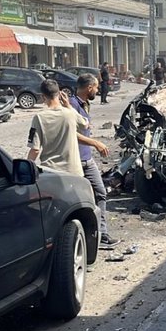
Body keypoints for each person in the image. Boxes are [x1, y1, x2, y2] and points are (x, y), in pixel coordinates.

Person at [70, 74, 118, 248]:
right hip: (75, 161)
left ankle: (102, 234)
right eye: (96, 87)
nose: (98, 90)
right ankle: (82, 239)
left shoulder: (83, 104)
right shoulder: (72, 105)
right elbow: (71, 134)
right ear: (89, 87)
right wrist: (95, 143)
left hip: (87, 159)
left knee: (100, 193)